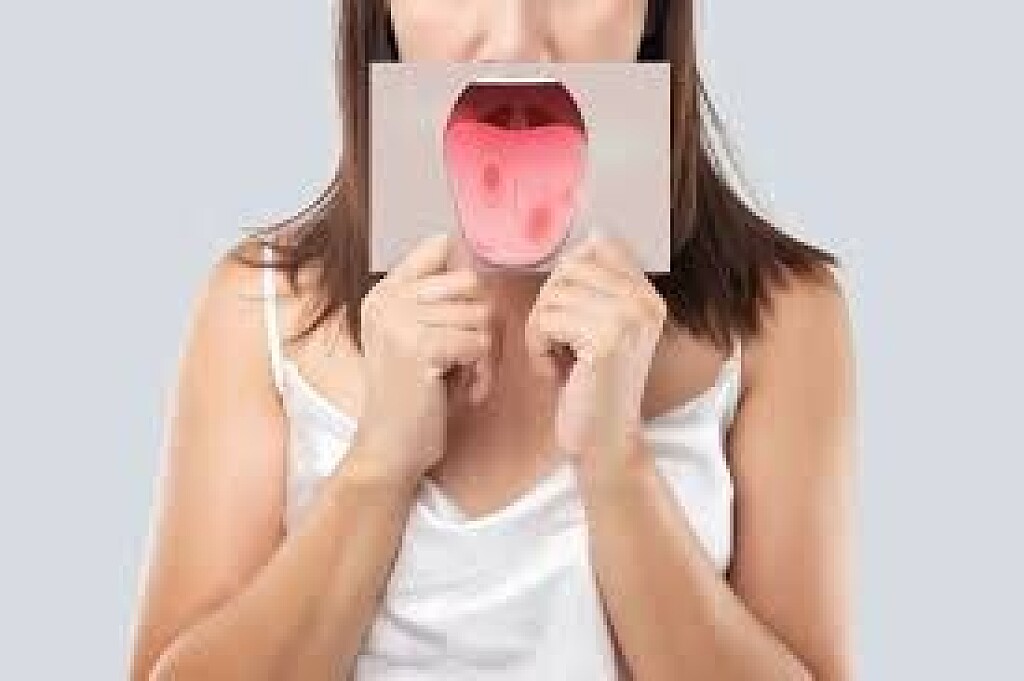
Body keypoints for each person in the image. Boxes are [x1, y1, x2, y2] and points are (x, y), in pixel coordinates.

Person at [129, 1, 856, 679]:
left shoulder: (781, 317)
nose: (514, 41)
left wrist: (617, 464)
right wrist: (379, 463)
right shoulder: (260, 309)